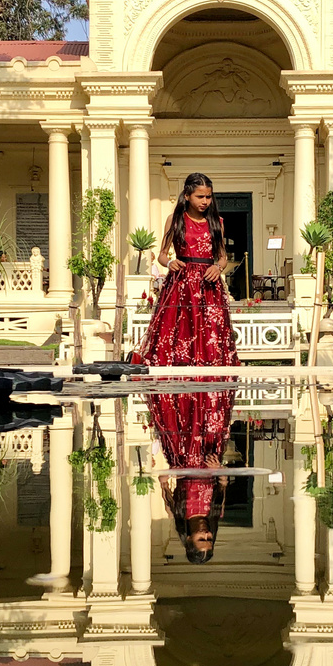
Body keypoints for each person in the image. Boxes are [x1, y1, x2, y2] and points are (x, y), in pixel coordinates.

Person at [134, 172, 239, 367]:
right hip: (181, 285)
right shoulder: (175, 220)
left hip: (209, 286)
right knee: (179, 331)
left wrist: (218, 267)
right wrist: (169, 263)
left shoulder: (217, 222)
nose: (205, 201)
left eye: (208, 196)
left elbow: (223, 257)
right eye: (200, 196)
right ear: (187, 196)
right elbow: (162, 254)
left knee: (210, 334)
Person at [148, 388, 236, 563]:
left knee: (183, 409)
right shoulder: (216, 512)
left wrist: (174, 471)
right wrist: (218, 469)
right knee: (212, 406)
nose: (206, 534)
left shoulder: (175, 511)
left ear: (188, 539)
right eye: (209, 539)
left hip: (183, 452)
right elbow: (223, 482)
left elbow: (162, 480)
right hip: (210, 450)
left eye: (201, 539)